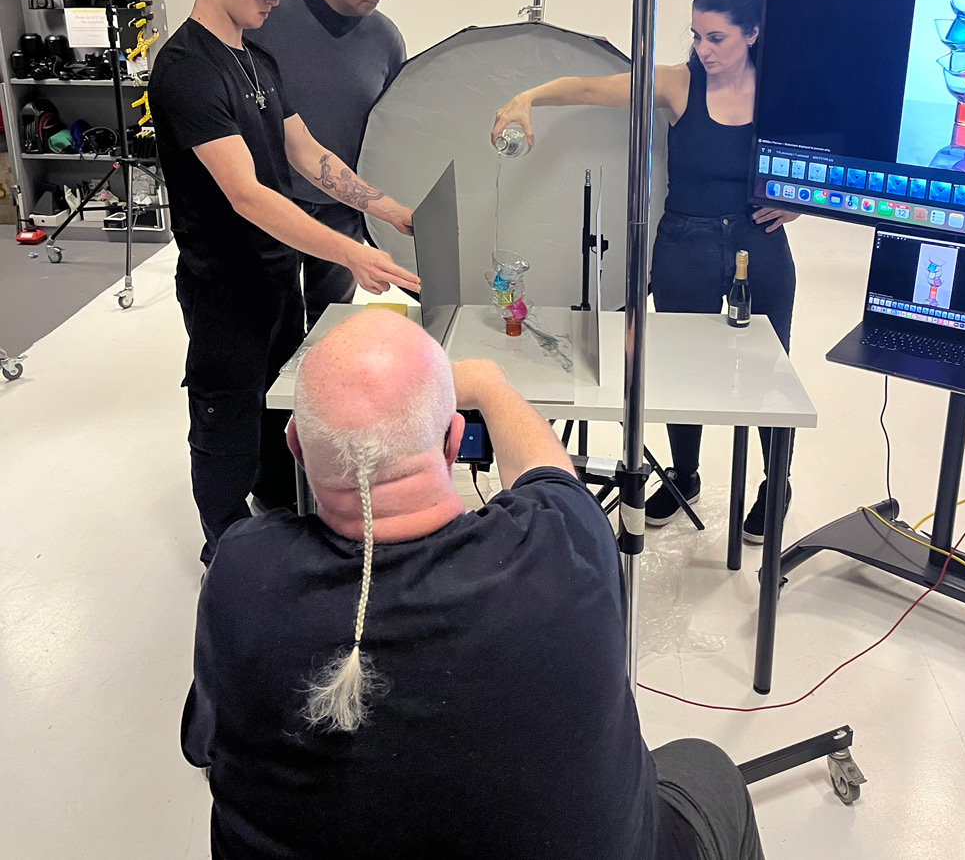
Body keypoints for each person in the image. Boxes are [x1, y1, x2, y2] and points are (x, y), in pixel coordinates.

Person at [181, 309, 765, 860]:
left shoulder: (241, 575)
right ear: (454, 443)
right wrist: (489, 386)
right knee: (705, 768)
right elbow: (549, 475)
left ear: (296, 448)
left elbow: (204, 747)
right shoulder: (561, 549)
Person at [491, 0, 797, 543]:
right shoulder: (679, 84)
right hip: (685, 245)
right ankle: (686, 474)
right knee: (681, 369)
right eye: (696, 35)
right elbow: (590, 88)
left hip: (759, 245)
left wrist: (803, 202)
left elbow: (836, 154)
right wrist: (528, 97)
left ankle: (775, 482)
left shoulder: (783, 90)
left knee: (772, 372)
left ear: (753, 33)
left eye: (717, 38)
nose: (703, 49)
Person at [148, 0, 419, 566]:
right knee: (228, 414)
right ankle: (225, 552)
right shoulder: (188, 69)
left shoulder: (256, 59)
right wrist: (351, 251)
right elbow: (246, 193)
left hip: (273, 274)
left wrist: (388, 209)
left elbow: (308, 153)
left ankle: (276, 510)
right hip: (224, 284)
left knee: (278, 395)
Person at [255, 0, 406, 329]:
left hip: (342, 210)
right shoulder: (269, 19)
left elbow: (391, 126)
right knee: (272, 323)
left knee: (331, 324)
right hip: (273, 203)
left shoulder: (386, 39)